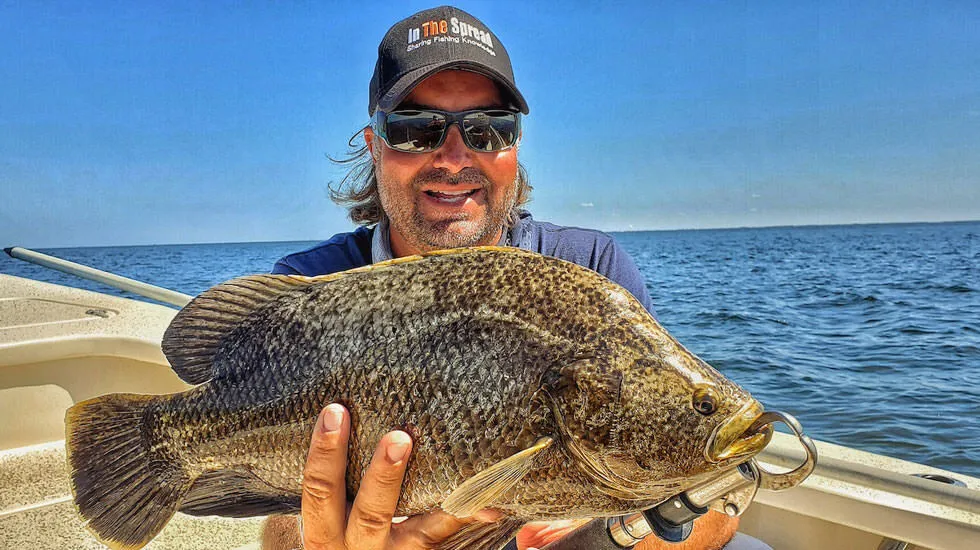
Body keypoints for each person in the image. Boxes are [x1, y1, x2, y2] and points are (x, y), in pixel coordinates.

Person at [266, 6, 770, 550]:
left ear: (515, 145)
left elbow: (718, 505)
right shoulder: (310, 287)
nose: (453, 158)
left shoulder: (590, 269)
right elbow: (273, 513)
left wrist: (600, 536)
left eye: (488, 129)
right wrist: (320, 540)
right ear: (374, 146)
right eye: (416, 129)